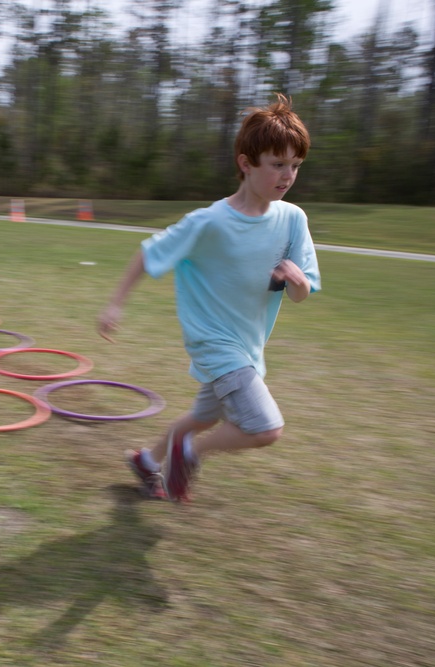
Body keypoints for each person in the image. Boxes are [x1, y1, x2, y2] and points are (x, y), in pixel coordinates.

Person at [98, 93, 321, 503]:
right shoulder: (210, 222)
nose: (287, 175)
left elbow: (302, 294)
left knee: (202, 416)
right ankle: (190, 455)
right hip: (216, 344)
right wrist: (115, 304)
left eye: (295, 166)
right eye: (277, 164)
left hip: (248, 346)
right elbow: (149, 253)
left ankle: (147, 461)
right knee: (265, 428)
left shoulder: (293, 220)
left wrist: (296, 280)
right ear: (245, 163)